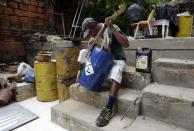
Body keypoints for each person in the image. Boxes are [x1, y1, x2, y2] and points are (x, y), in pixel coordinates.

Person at [81, 17, 129, 127]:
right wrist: (90, 45)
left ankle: (109, 108)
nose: (90, 35)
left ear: (94, 26)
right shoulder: (94, 36)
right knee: (85, 55)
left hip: (117, 59)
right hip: (104, 61)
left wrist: (112, 28)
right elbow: (92, 52)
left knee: (116, 72)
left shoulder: (110, 28)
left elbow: (126, 44)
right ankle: (85, 79)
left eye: (90, 32)